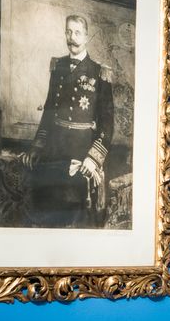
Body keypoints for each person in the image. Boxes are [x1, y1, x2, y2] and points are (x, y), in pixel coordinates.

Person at [21, 14, 115, 227]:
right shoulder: (58, 66)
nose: (72, 37)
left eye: (77, 33)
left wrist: (93, 159)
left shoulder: (100, 73)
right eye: (68, 32)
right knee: (45, 208)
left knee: (73, 214)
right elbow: (49, 111)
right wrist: (37, 146)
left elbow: (107, 124)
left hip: (81, 153)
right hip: (53, 150)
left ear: (87, 37)